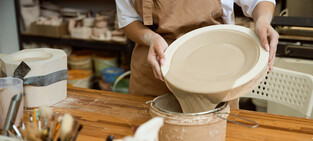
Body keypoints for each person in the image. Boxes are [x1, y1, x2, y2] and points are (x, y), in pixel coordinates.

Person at [116, 0, 279, 102]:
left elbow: (258, 1)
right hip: (156, 67)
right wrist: (150, 38)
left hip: (216, 73)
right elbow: (129, 19)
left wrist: (262, 19)